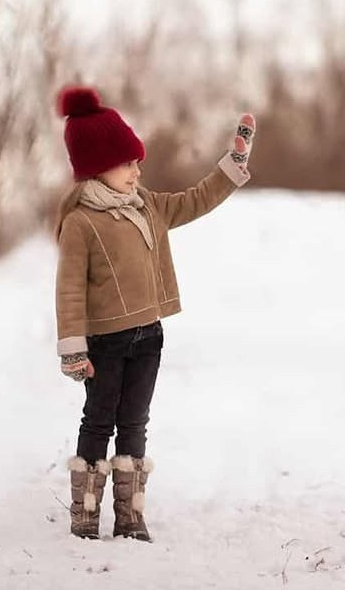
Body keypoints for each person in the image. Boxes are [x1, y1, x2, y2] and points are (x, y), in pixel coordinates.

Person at [52, 85, 254, 541]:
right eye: (127, 163)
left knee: (136, 423)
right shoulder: (81, 223)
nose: (136, 171)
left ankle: (130, 515)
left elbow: (195, 199)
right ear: (96, 167)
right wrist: (72, 350)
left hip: (149, 337)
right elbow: (68, 292)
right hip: (103, 342)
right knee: (99, 421)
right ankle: (86, 513)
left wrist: (232, 164)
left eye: (137, 162)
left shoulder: (148, 206)